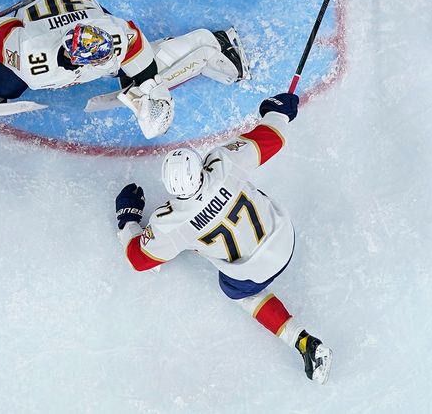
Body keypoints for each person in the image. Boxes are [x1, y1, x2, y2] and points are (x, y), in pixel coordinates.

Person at [112, 92, 332, 384]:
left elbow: (139, 260)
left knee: (233, 289)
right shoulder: (223, 164)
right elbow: (273, 138)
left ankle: (300, 340)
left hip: (253, 275)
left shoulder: (168, 223)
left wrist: (127, 219)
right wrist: (277, 111)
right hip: (285, 236)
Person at [0, 0, 250, 138]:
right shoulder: (30, 54)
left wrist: (147, 95)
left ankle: (215, 42)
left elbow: (141, 61)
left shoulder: (117, 35)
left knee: (148, 72)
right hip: (34, 21)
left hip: (86, 8)